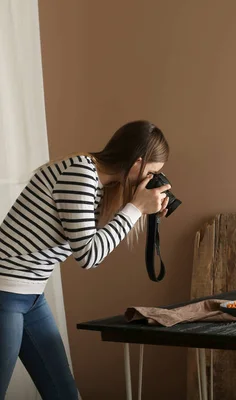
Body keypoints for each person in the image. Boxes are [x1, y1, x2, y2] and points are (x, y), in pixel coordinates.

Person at [0, 120, 171, 399]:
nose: (150, 181)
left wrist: (141, 209)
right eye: (151, 173)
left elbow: (94, 241)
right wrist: (136, 208)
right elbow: (89, 255)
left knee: (64, 394)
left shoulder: (98, 182)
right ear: (137, 163)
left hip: (30, 296)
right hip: (5, 293)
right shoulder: (80, 172)